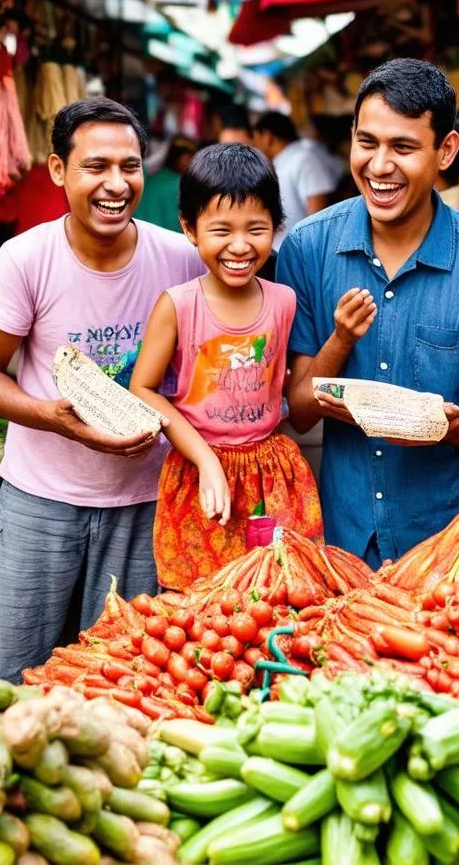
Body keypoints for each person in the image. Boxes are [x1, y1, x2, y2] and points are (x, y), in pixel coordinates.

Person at [0, 97, 202, 682]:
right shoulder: (24, 259)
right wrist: (52, 415)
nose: (116, 184)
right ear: (57, 171)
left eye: (130, 166)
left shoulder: (179, 258)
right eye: (96, 166)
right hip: (37, 503)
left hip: (146, 506)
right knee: (5, 680)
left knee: (127, 682)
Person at [276, 59, 459, 565]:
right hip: (344, 541)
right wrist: (340, 343)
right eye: (367, 142)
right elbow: (302, 410)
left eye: (403, 147)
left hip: (455, 547)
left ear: (446, 151)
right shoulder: (307, 249)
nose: (379, 166)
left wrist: (443, 424)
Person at [131, 144, 323, 591]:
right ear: (190, 229)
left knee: (277, 592)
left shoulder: (285, 302)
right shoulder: (177, 305)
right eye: (221, 230)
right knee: (197, 602)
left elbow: (294, 384)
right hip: (197, 471)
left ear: (276, 228)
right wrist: (205, 460)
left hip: (272, 474)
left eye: (256, 229)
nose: (239, 246)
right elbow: (143, 388)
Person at [252, 112, 338, 249]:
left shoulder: (304, 160)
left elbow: (319, 215)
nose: (254, 145)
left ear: (267, 137)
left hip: (302, 257)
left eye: (255, 139)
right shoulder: (281, 163)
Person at [136, 136, 197, 233]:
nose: (194, 162)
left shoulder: (152, 179)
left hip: (143, 234)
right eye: (191, 156)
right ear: (180, 157)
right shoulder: (181, 184)